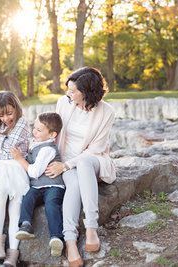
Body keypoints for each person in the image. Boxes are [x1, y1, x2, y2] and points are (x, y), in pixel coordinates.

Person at [45, 67, 116, 267]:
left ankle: (92, 227)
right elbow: (53, 134)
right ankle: (70, 241)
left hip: (92, 159)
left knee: (83, 163)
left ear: (87, 93)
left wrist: (67, 164)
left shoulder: (106, 112)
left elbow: (96, 149)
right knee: (74, 184)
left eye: (73, 91)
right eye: (68, 89)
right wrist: (59, 163)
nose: (68, 94)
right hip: (64, 161)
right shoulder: (63, 103)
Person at [0, 91, 30, 267]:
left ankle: (13, 252)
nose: (5, 119)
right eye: (0, 115)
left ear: (16, 108)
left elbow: (9, 146)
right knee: (0, 194)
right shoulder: (0, 126)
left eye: (9, 113)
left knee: (15, 207)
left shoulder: (22, 123)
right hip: (2, 167)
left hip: (17, 168)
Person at [11, 112, 65, 258]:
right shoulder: (37, 144)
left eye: (39, 130)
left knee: (51, 205)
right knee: (28, 199)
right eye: (34, 128)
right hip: (37, 187)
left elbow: (34, 172)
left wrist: (19, 159)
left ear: (52, 134)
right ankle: (26, 225)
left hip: (53, 186)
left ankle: (56, 237)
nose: (34, 132)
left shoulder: (47, 149)